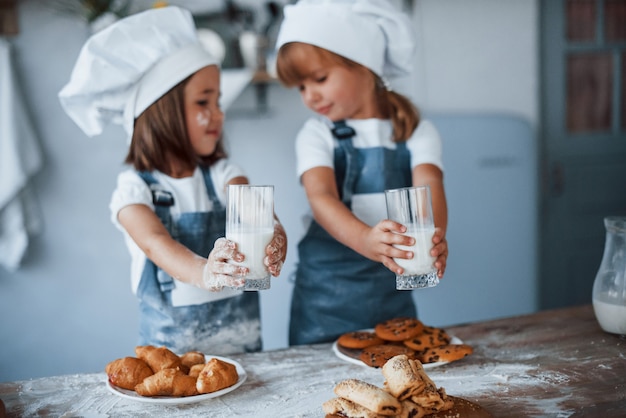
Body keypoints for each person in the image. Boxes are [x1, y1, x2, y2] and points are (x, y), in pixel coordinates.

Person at [58, 6, 287, 355]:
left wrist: (274, 233)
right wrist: (205, 272)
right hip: (172, 363)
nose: (218, 114)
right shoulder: (135, 191)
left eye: (219, 101)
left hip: (245, 354)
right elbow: (154, 244)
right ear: (160, 113)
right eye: (203, 102)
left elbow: (252, 209)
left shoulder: (223, 172)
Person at [274, 0, 448, 345]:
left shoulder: (415, 132)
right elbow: (321, 197)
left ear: (364, 66)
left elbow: (429, 187)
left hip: (392, 304)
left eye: (320, 79)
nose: (310, 96)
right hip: (322, 305)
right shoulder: (317, 134)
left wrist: (434, 238)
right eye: (301, 87)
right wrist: (367, 241)